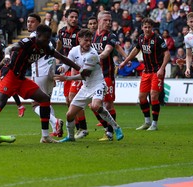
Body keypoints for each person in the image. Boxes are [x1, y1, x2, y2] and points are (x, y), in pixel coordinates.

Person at [0, 24, 90, 143]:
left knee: (44, 99)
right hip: (9, 75)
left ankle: (45, 137)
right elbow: (9, 48)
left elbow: (62, 58)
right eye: (45, 39)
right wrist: (8, 56)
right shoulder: (27, 42)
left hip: (20, 78)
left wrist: (80, 69)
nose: (47, 41)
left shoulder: (45, 47)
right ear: (38, 36)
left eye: (49, 38)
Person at [56, 29, 124, 142]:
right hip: (85, 87)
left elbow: (84, 75)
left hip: (98, 85)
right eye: (86, 40)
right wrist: (63, 68)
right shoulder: (74, 50)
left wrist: (67, 78)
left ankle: (115, 127)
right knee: (69, 115)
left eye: (90, 40)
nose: (88, 43)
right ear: (79, 39)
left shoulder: (92, 55)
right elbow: (68, 62)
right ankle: (70, 136)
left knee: (96, 106)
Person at [119, 18, 170, 131]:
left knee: (153, 96)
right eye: (145, 27)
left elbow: (167, 54)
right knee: (142, 97)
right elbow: (135, 50)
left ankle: (154, 124)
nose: (147, 29)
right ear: (142, 27)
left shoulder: (158, 39)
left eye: (149, 27)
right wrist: (125, 61)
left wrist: (162, 68)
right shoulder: (141, 38)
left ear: (152, 28)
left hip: (157, 71)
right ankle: (147, 122)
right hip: (146, 71)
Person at [92, 11, 128, 140]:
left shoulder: (111, 36)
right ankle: (108, 128)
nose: (108, 23)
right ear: (99, 20)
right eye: (105, 20)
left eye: (110, 20)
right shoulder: (92, 36)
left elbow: (107, 51)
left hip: (107, 74)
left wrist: (126, 59)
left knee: (108, 104)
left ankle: (110, 132)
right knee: (93, 106)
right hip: (93, 76)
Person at [27, 13, 64, 137]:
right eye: (28, 21)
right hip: (49, 72)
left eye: (32, 22)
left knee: (36, 104)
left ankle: (55, 121)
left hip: (39, 73)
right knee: (46, 101)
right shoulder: (47, 38)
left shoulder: (34, 37)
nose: (29, 24)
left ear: (38, 24)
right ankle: (55, 128)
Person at [56, 9, 88, 139]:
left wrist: (78, 67)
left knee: (74, 98)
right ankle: (78, 127)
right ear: (66, 18)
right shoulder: (62, 32)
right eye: (72, 17)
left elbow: (83, 51)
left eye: (76, 17)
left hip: (77, 69)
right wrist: (55, 55)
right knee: (68, 100)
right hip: (66, 68)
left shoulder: (80, 33)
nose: (74, 19)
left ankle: (83, 128)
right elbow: (59, 44)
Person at [0, 30, 26, 117]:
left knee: (8, 90)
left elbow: (7, 58)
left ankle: (20, 106)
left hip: (2, 70)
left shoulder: (1, 46)